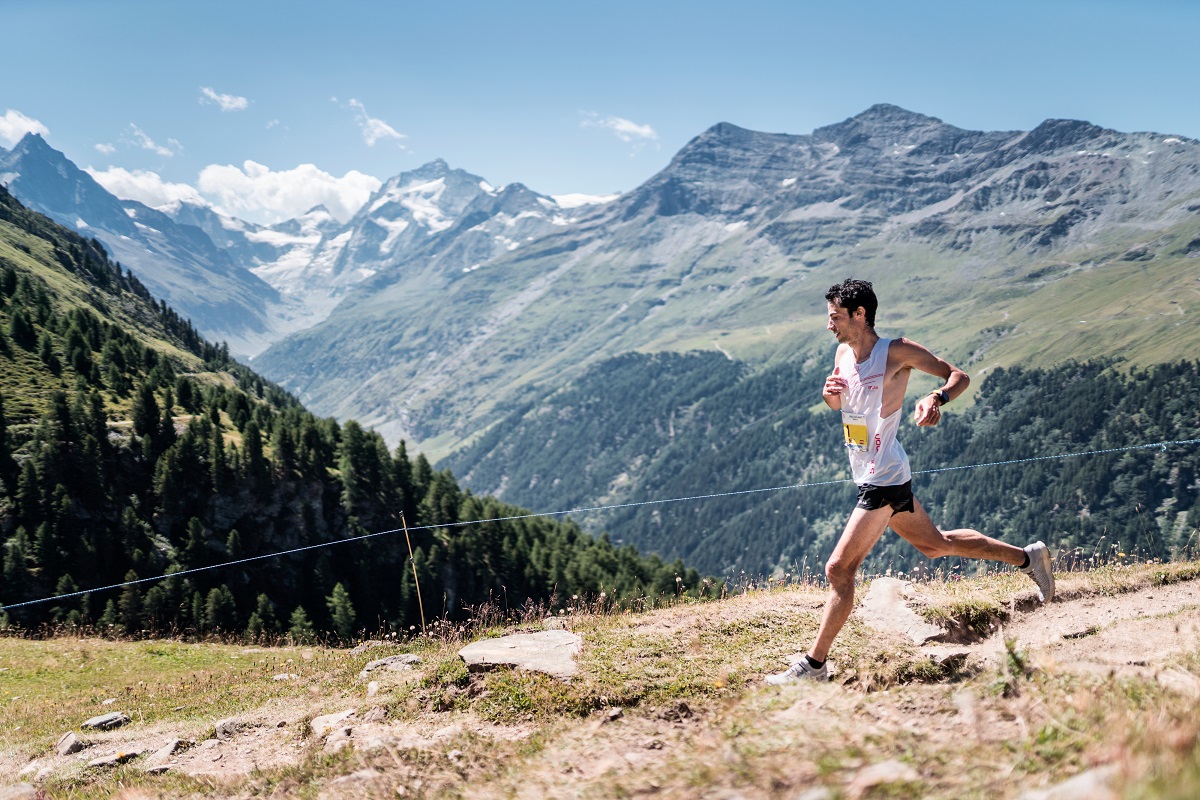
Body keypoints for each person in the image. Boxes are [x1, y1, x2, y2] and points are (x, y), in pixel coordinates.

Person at [766, 278, 1055, 684]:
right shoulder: (842, 353)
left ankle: (814, 665)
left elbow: (958, 375)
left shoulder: (895, 352)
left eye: (835, 317)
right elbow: (839, 402)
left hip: (883, 478)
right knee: (936, 545)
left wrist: (936, 398)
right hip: (871, 470)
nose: (829, 325)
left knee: (838, 570)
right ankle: (1029, 557)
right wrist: (829, 393)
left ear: (860, 315)